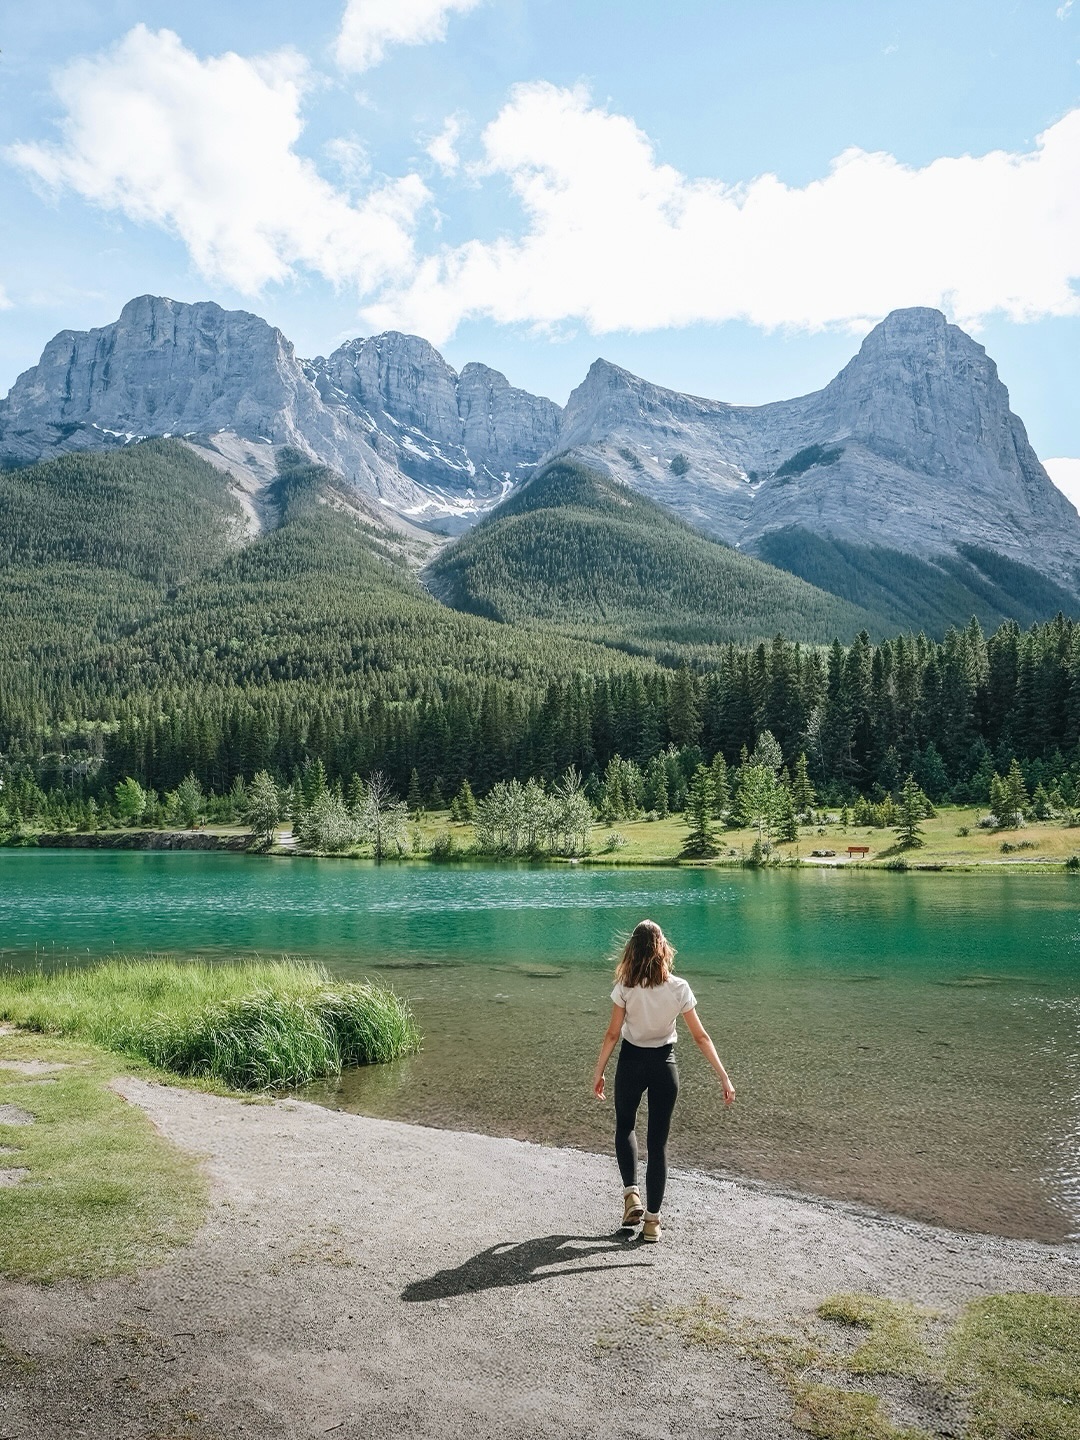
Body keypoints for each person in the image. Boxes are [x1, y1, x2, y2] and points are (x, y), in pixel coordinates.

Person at [592, 918, 735, 1243]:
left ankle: (632, 1195)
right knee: (658, 1145)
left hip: (631, 1062)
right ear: (662, 949)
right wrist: (724, 1077)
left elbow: (613, 1033)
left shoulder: (626, 986)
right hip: (664, 1065)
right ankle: (653, 1223)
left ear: (632, 950)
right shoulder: (678, 987)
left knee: (626, 1126)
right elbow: (701, 1037)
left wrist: (599, 1070)